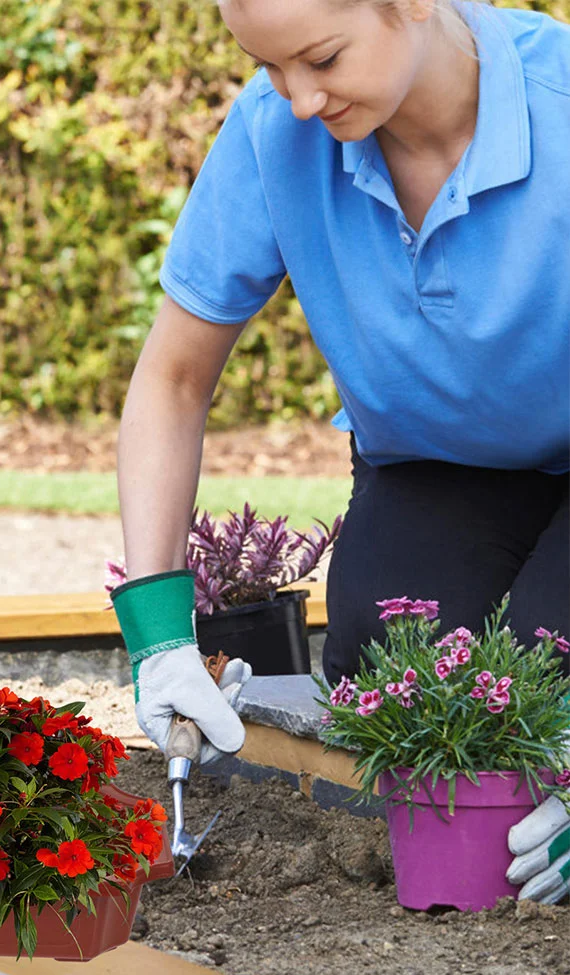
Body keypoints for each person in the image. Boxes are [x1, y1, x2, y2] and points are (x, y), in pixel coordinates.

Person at [110, 0, 570, 901]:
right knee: (388, 675)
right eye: (271, 68)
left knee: (547, 677)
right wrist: (158, 640)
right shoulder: (273, 132)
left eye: (321, 57)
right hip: (439, 461)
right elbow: (171, 381)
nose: (300, 100)